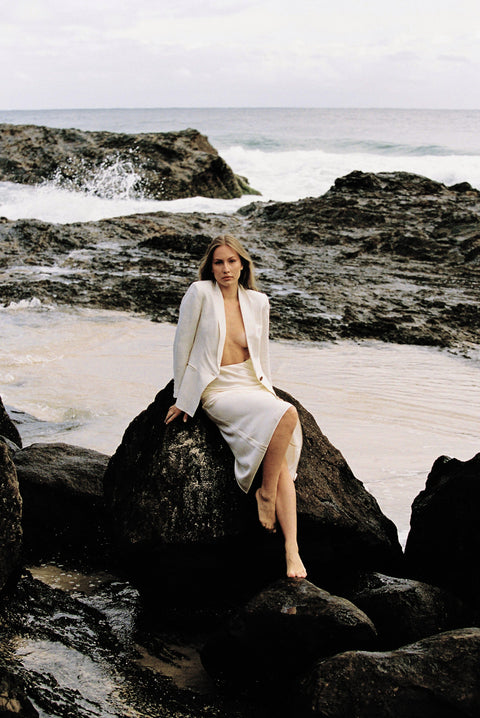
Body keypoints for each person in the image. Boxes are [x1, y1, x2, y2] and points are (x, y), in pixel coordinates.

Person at [165, 234, 306, 579]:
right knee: (288, 415)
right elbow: (181, 345)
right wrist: (183, 399)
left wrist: (268, 394)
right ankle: (266, 496)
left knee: (282, 438)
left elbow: (262, 356)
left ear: (243, 265)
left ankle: (292, 551)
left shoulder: (258, 302)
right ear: (210, 267)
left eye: (232, 261)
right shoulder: (199, 294)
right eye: (218, 262)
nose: (226, 268)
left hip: (249, 382)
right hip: (217, 387)